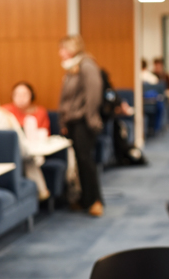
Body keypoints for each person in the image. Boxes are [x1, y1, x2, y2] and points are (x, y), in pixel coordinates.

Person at [58, 35, 104, 217]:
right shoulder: (73, 68)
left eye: (62, 48)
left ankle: (95, 201)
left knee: (86, 162)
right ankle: (85, 199)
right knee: (80, 162)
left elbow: (94, 93)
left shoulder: (86, 65)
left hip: (84, 122)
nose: (59, 53)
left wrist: (90, 117)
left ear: (71, 48)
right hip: (74, 122)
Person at [0, 88, 50, 200]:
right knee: (29, 159)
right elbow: (23, 148)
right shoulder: (5, 116)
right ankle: (42, 191)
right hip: (9, 171)